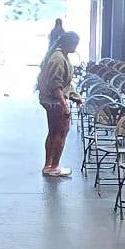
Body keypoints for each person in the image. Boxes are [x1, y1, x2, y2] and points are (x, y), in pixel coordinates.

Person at [38, 29, 81, 178]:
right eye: (75, 44)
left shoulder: (60, 56)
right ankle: (54, 166)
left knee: (54, 132)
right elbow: (56, 85)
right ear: (69, 44)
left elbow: (65, 83)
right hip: (54, 102)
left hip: (52, 101)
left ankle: (49, 165)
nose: (76, 48)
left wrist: (75, 96)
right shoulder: (58, 58)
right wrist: (64, 105)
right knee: (60, 133)